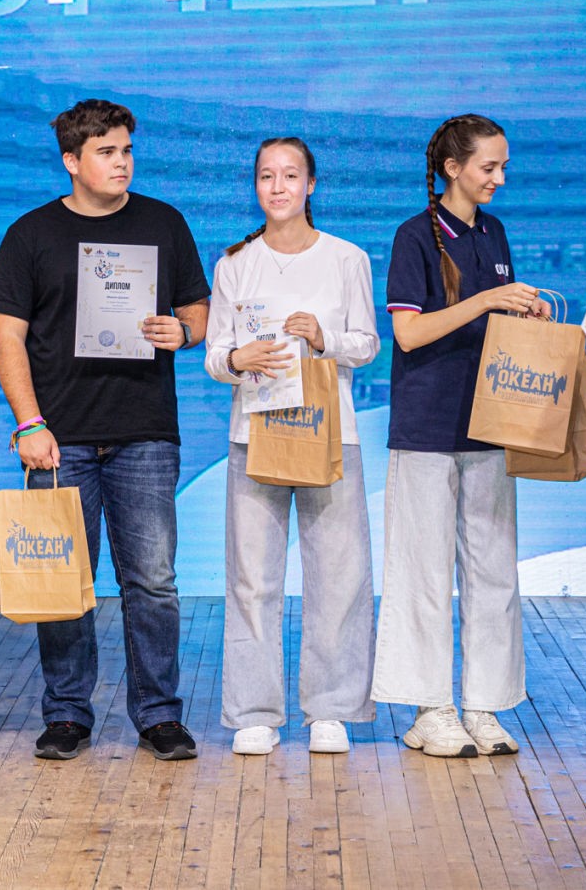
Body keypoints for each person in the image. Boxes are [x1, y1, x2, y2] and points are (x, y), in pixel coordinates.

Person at [0, 98, 208, 762]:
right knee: (61, 580)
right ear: (72, 161)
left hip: (145, 432)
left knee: (153, 582)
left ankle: (159, 715)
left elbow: (197, 308)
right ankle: (67, 713)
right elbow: (6, 334)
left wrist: (183, 332)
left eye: (127, 150)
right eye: (107, 152)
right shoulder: (31, 233)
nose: (122, 163)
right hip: (59, 439)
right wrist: (28, 423)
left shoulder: (163, 222)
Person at [370, 114, 547, 758]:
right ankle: (431, 709)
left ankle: (484, 705)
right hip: (426, 426)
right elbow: (408, 333)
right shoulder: (414, 236)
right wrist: (488, 300)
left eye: (503, 167)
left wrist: (525, 310)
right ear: (453, 168)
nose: (499, 179)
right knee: (422, 571)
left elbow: (493, 320)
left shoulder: (494, 232)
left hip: (491, 423)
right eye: (488, 167)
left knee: (493, 570)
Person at [204, 137, 378, 756]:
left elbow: (368, 343)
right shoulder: (235, 264)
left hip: (330, 432)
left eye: (289, 176)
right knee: (252, 576)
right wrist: (238, 358)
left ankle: (331, 709)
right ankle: (254, 711)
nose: (277, 187)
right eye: (266, 176)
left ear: (311, 185)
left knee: (339, 572)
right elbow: (213, 356)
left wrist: (325, 338)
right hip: (254, 433)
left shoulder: (346, 258)